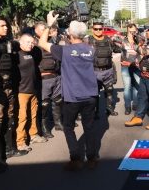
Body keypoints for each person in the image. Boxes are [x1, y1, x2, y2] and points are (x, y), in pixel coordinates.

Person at [37, 21, 101, 170]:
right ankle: (92, 158)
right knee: (89, 127)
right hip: (91, 95)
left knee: (68, 126)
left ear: (70, 35)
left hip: (73, 97)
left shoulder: (64, 51)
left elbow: (41, 42)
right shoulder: (91, 49)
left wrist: (49, 24)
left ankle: (76, 159)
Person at [0, 16, 27, 159]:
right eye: (2, 26)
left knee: (10, 117)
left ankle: (10, 148)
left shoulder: (8, 42)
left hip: (10, 86)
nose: (6, 27)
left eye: (6, 25)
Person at [16, 33, 46, 151]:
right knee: (22, 117)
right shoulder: (16, 55)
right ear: (21, 43)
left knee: (33, 115)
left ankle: (33, 135)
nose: (31, 45)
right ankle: (20, 142)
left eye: (32, 42)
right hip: (22, 91)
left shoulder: (32, 54)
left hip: (33, 89)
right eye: (28, 42)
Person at [86, 21, 122, 117]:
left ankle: (109, 109)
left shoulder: (108, 40)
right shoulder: (88, 41)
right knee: (94, 94)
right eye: (96, 29)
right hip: (94, 71)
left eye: (100, 29)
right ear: (92, 30)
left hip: (108, 71)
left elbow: (117, 49)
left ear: (103, 29)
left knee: (109, 91)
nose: (98, 31)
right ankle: (96, 112)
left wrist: (123, 45)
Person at [34, 23, 63, 135]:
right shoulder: (34, 43)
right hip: (43, 77)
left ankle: (58, 123)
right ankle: (44, 127)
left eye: (48, 29)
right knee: (44, 104)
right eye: (43, 30)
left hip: (56, 75)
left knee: (58, 100)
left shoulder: (53, 42)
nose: (47, 32)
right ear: (36, 31)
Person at [120, 23, 142, 114]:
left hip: (136, 66)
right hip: (125, 66)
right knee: (127, 87)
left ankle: (135, 104)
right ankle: (127, 106)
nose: (132, 33)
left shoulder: (139, 39)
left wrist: (137, 39)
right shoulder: (122, 40)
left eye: (134, 31)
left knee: (136, 86)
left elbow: (142, 52)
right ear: (127, 31)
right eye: (130, 31)